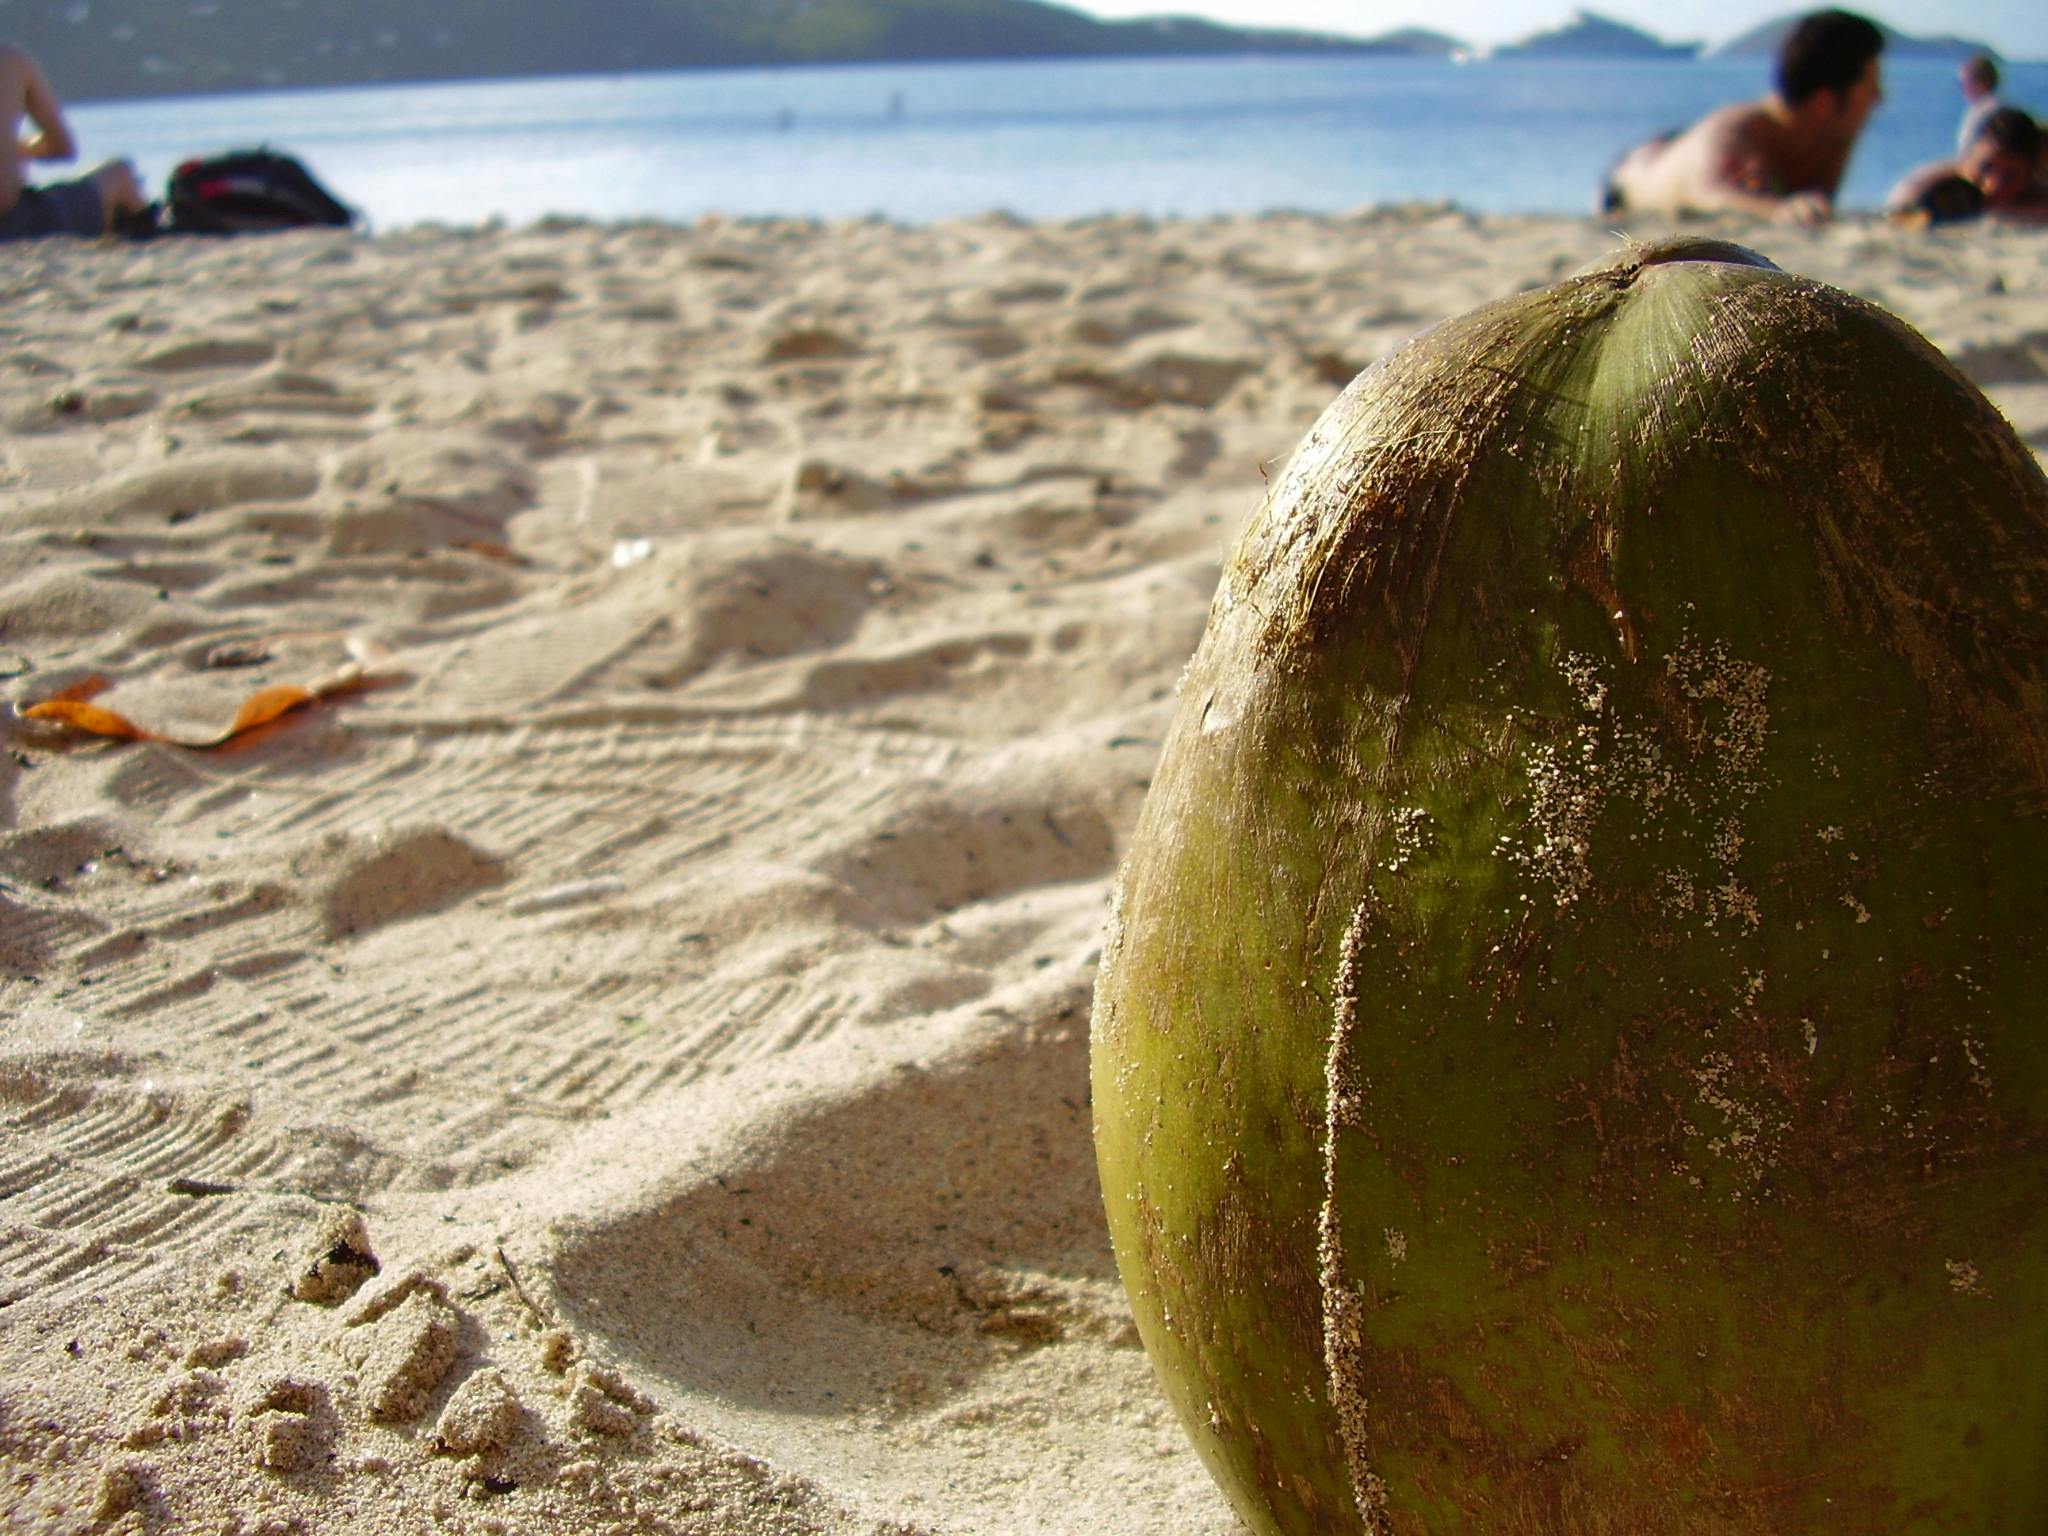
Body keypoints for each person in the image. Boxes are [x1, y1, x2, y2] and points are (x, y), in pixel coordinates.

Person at [1600, 10, 1885, 224]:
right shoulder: (1736, 132)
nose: (1879, 99)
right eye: (1870, 88)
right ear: (1824, 102)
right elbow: (1708, 194)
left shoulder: (1830, 134)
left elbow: (1818, 203)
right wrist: (1776, 210)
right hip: (1631, 175)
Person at [1, 42, 146, 242]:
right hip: (18, 220)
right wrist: (18, 149)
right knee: (120, 173)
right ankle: (145, 232)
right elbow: (62, 147)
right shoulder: (11, 59)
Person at [1888, 107, 2048, 227]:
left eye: (2009, 176)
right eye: (1985, 168)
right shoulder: (1926, 186)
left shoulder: (2037, 194)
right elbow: (1897, 212)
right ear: (1967, 158)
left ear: (2030, 175)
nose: (1992, 184)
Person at [1955, 54, 2004, 158]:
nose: (1961, 88)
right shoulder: (1980, 108)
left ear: (1980, 82)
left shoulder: (1990, 112)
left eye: (1963, 83)